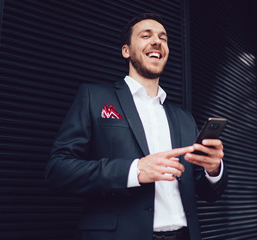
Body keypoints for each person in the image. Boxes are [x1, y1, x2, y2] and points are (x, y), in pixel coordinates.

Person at [46, 13, 228, 240]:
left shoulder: (184, 118)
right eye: (146, 35)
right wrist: (135, 170)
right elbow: (58, 170)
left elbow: (208, 192)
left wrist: (213, 170)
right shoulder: (94, 97)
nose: (157, 41)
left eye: (163, 37)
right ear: (126, 51)